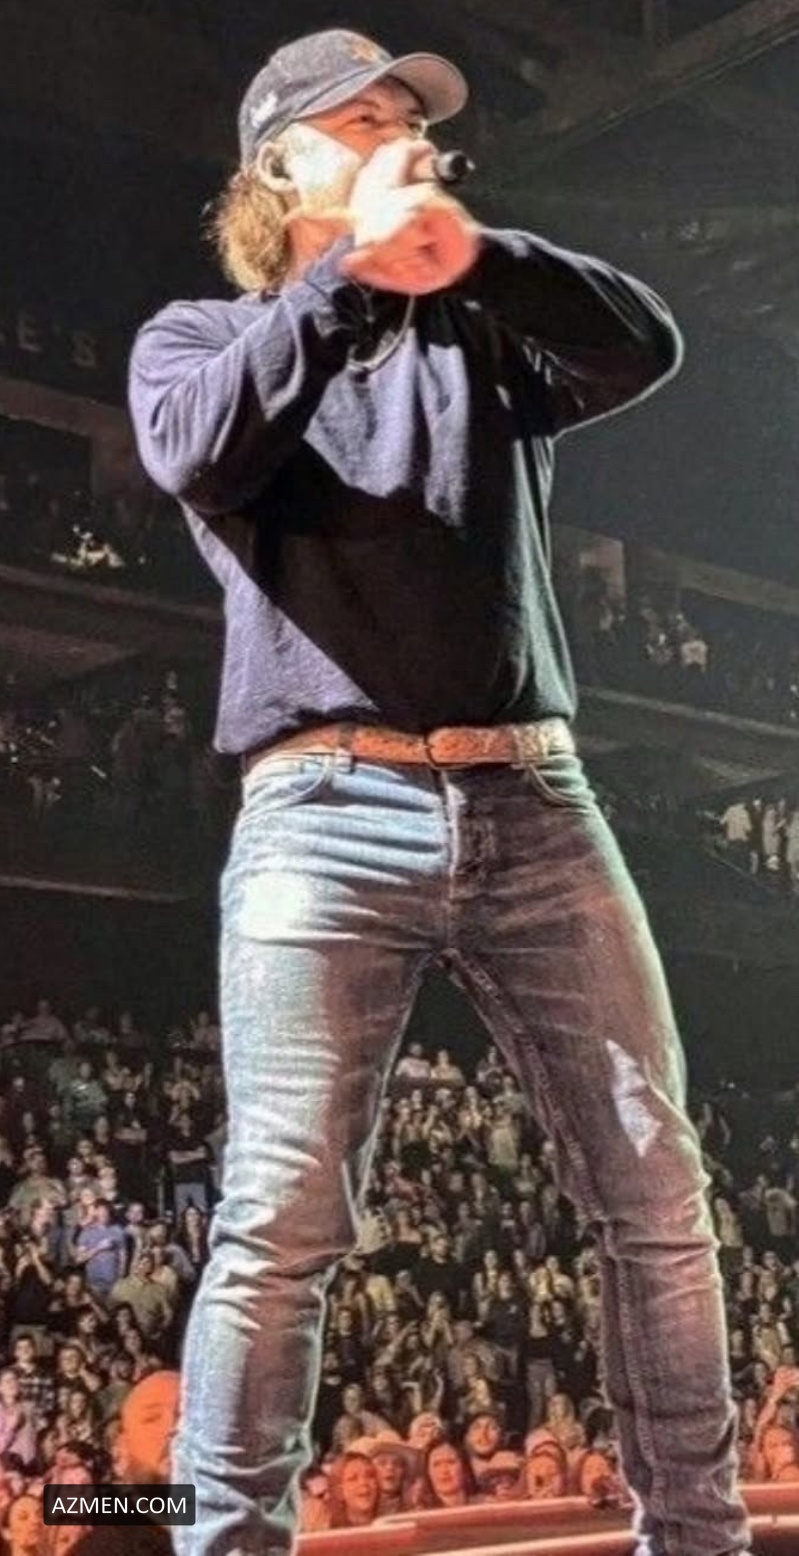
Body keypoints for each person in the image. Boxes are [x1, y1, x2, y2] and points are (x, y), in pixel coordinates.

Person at [128, 23, 750, 1556]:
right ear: (278, 166)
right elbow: (200, 450)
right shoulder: (201, 342)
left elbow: (644, 344)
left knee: (657, 1190)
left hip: (537, 800)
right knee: (284, 1217)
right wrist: (351, 269)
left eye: (414, 119)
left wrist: (470, 256)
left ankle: (700, 1535)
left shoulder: (481, 343)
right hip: (324, 812)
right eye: (363, 120)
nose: (405, 134)